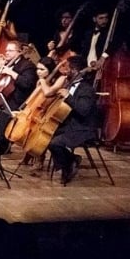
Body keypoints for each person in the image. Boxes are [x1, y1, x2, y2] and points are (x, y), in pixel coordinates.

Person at [47, 55, 99, 185]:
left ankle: (68, 166)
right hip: (69, 125)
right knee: (45, 138)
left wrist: (68, 96)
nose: (64, 71)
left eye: (67, 68)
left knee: (55, 143)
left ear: (75, 70)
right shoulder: (69, 84)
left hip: (83, 128)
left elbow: (83, 110)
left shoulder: (87, 89)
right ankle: (71, 160)